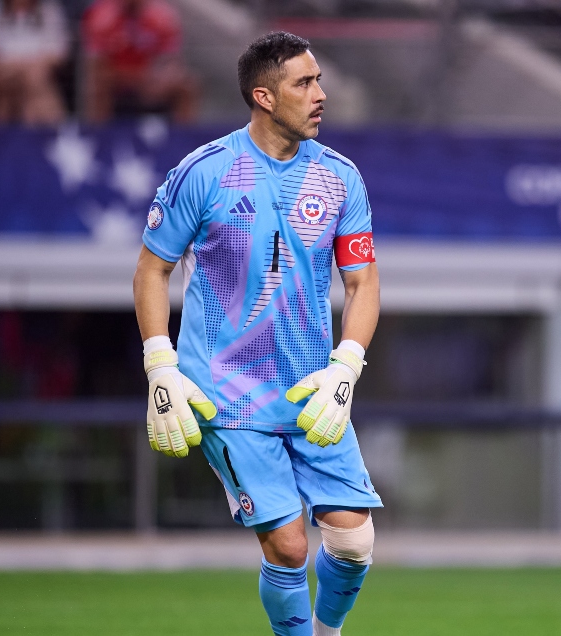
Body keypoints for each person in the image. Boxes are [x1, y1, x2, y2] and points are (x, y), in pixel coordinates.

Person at [132, 31, 381, 635]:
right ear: (263, 96)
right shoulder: (204, 173)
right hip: (227, 393)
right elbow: (151, 269)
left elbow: (363, 284)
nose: (320, 94)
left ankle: (328, 632)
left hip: (310, 390)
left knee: (353, 544)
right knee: (291, 548)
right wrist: (160, 366)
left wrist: (346, 368)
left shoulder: (341, 179)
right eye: (305, 83)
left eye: (319, 80)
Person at [81, 0, 196, 124]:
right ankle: (99, 136)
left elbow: (171, 61)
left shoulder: (164, 17)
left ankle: (184, 138)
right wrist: (128, 77)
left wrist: (159, 79)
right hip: (115, 80)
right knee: (96, 86)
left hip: (151, 80)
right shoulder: (101, 17)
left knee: (187, 85)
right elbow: (96, 63)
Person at [0, 0, 69, 126]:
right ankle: (61, 133)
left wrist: (32, 67)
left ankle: (30, 134)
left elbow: (59, 53)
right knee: (31, 81)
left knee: (34, 79)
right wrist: (23, 67)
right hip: (4, 73)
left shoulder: (49, 12)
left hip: (39, 71)